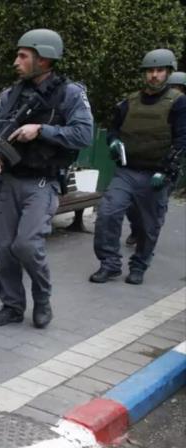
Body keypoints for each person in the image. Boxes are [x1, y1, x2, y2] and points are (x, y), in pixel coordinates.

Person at [0, 29, 94, 329]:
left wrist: (42, 130)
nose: (16, 61)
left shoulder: (70, 93)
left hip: (42, 183)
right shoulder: (10, 94)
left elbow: (84, 134)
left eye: (23, 56)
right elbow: (0, 134)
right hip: (9, 180)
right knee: (4, 247)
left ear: (43, 60)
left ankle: (42, 300)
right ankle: (12, 306)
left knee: (27, 245)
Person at [90, 49, 185, 285]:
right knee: (107, 213)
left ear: (168, 72)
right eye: (150, 71)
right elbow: (113, 129)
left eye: (159, 70)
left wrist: (165, 171)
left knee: (148, 226)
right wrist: (113, 141)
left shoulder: (179, 103)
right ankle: (109, 264)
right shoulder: (128, 102)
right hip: (127, 171)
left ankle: (139, 266)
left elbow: (182, 139)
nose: (154, 75)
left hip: (156, 174)